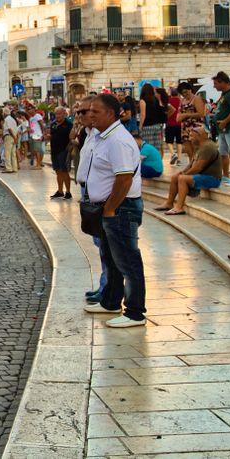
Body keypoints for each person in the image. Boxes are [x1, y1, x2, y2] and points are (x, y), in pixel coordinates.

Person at [80, 94, 147, 328]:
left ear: (110, 113)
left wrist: (110, 208)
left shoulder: (118, 139)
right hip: (109, 208)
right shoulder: (103, 137)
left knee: (128, 261)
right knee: (112, 258)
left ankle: (135, 312)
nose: (90, 115)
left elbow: (124, 178)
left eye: (95, 112)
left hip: (121, 207)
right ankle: (110, 301)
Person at [153, 126, 222, 215]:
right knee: (175, 176)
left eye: (192, 136)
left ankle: (179, 207)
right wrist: (182, 172)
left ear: (200, 135)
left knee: (182, 179)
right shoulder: (199, 146)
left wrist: (184, 175)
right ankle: (169, 203)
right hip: (203, 176)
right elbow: (191, 164)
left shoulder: (208, 147)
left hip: (213, 179)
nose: (190, 139)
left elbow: (198, 168)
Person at [176, 82, 207, 162]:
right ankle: (192, 167)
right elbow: (179, 112)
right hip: (185, 128)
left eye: (186, 91)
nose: (184, 94)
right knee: (189, 152)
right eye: (182, 93)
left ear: (190, 89)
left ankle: (197, 169)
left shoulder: (196, 99)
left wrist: (186, 115)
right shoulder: (182, 100)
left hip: (195, 127)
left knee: (197, 152)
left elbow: (201, 114)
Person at [49, 107, 73, 199]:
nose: (58, 116)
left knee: (64, 171)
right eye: (56, 114)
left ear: (64, 114)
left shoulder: (68, 125)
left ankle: (68, 192)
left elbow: (71, 138)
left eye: (59, 114)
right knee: (57, 171)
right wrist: (48, 136)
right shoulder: (53, 124)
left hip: (64, 151)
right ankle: (60, 191)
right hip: (54, 150)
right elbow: (52, 135)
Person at [138, 84, 166, 154]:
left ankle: (150, 163)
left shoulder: (142, 101)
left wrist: (140, 126)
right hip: (157, 126)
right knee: (157, 148)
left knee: (148, 147)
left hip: (147, 127)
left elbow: (143, 114)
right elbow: (161, 109)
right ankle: (157, 162)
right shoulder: (156, 99)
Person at [162, 87, 182, 165]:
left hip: (170, 124)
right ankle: (179, 160)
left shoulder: (168, 101)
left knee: (169, 141)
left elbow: (165, 112)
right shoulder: (181, 101)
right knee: (179, 142)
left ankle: (173, 154)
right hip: (179, 124)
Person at [2, 108, 19, 172]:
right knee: (13, 153)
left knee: (7, 153)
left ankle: (8, 168)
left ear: (5, 113)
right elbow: (16, 129)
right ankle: (15, 168)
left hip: (9, 136)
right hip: (14, 136)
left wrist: (14, 137)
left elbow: (9, 129)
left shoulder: (7, 119)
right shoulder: (13, 119)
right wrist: (16, 138)